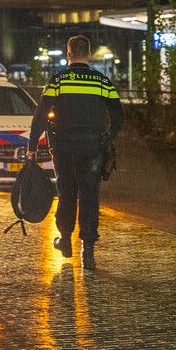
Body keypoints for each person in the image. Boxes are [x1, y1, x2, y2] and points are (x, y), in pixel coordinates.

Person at [29, 35, 124, 270]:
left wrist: (32, 146)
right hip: (93, 148)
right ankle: (88, 251)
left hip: (63, 148)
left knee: (67, 193)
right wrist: (107, 138)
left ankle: (66, 240)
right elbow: (119, 115)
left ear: (68, 54)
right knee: (90, 195)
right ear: (89, 55)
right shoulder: (101, 81)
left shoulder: (59, 80)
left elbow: (41, 114)